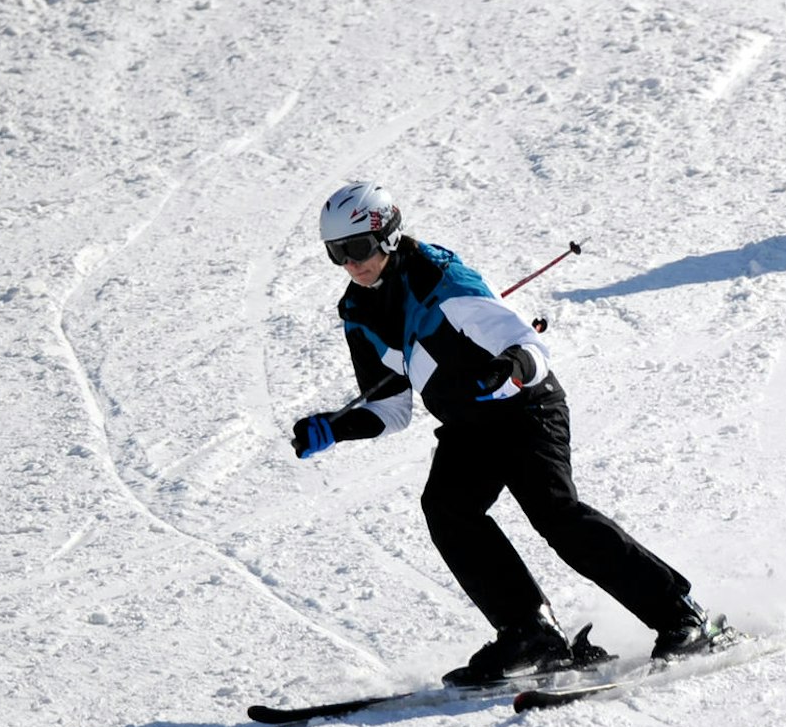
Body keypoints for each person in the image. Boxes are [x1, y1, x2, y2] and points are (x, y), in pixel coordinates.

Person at [290, 180, 727, 686]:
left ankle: (683, 618)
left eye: (358, 248)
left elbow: (529, 348)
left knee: (555, 514)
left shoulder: (442, 280)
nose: (350, 264)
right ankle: (531, 633)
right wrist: (337, 427)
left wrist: (509, 368)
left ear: (388, 235)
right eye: (335, 254)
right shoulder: (358, 311)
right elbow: (391, 408)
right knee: (448, 509)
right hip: (469, 425)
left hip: (525, 408)